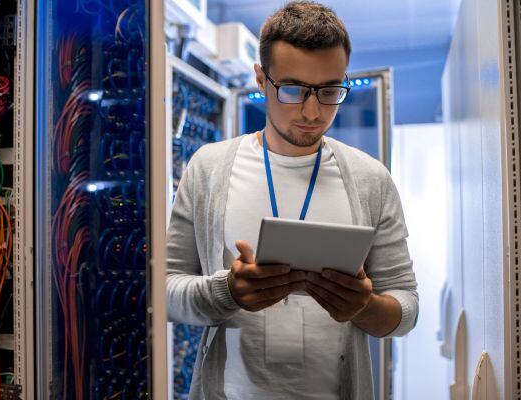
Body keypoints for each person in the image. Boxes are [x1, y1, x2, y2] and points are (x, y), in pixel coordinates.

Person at [166, 2, 419, 399]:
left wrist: (363, 306)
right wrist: (226, 293)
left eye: (330, 91)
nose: (313, 111)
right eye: (294, 90)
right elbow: (165, 293)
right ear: (260, 80)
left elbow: (406, 308)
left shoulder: (372, 180)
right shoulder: (209, 168)